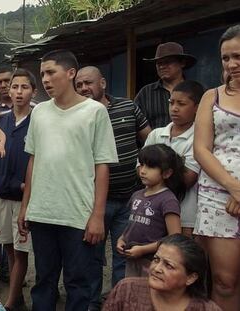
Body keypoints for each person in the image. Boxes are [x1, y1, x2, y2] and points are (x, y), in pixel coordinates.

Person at [18, 49, 118, 311]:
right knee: (44, 282)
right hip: (42, 213)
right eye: (42, 74)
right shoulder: (39, 113)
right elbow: (33, 160)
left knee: (79, 285)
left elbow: (102, 166)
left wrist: (97, 216)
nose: (46, 80)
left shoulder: (94, 112)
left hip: (78, 215)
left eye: (51, 72)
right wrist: (25, 205)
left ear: (71, 72)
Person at [75, 65, 151, 310]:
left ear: (103, 83)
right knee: (92, 255)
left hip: (129, 197)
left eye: (89, 83)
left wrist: (145, 170)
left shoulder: (128, 107)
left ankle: (119, 302)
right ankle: (92, 303)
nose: (84, 88)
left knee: (123, 254)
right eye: (79, 85)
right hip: (94, 199)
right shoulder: (77, 114)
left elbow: (148, 138)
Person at [193, 24, 240, 311]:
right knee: (224, 280)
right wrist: (234, 187)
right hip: (217, 196)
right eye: (226, 58)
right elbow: (201, 149)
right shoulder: (212, 96)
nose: (232, 64)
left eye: (239, 56)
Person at [0, 68, 36, 310]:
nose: (18, 92)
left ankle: (9, 304)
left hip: (22, 198)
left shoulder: (38, 121)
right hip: (0, 195)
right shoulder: (0, 120)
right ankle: (17, 298)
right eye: (14, 87)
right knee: (8, 248)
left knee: (21, 252)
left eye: (24, 87)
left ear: (33, 91)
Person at [143, 80, 204, 237]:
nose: (174, 108)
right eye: (171, 103)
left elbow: (187, 179)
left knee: (180, 255)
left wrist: (154, 173)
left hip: (185, 214)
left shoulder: (199, 138)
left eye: (181, 104)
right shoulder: (156, 134)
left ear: (197, 107)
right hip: (152, 212)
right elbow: (140, 168)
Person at [103, 234, 222, 311]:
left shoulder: (207, 309)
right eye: (156, 259)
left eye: (168, 266)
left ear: (190, 278)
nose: (156, 268)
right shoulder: (127, 289)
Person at [116, 144, 184, 277]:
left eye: (150, 166)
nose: (142, 171)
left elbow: (175, 237)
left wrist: (144, 249)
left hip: (154, 262)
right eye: (141, 164)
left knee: (149, 294)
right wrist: (122, 239)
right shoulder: (137, 194)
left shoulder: (168, 200)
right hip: (132, 257)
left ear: (167, 173)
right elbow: (132, 223)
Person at [134, 42, 197, 129]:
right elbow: (136, 124)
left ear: (182, 63)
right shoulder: (146, 93)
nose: (162, 67)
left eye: (167, 62)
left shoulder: (195, 90)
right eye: (159, 63)